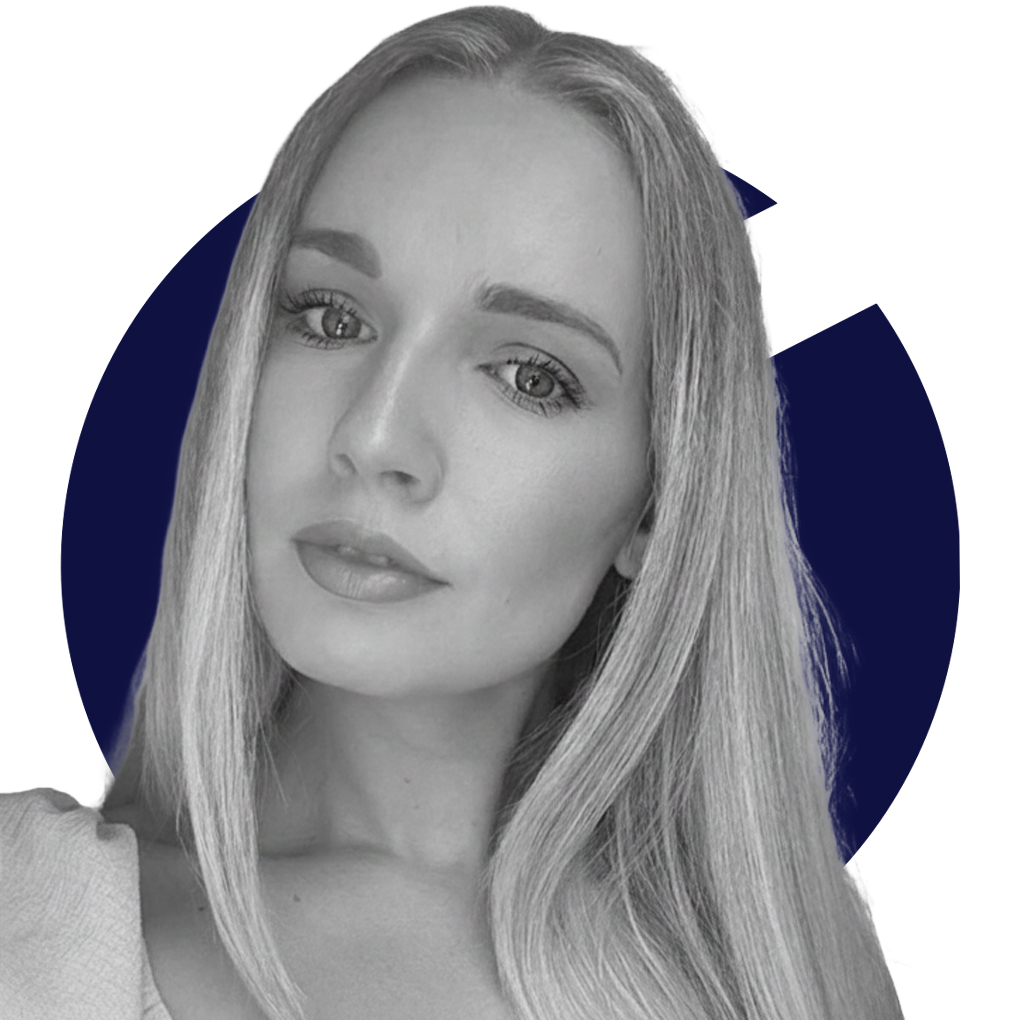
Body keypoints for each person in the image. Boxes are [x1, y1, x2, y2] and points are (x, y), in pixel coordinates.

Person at [0, 7, 903, 1020]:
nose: (375, 435)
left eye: (529, 376)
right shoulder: (28, 925)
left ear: (658, 506)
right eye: (330, 317)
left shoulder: (790, 974)